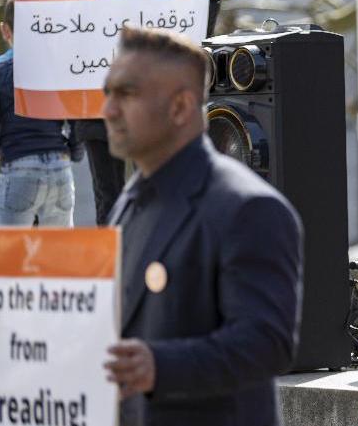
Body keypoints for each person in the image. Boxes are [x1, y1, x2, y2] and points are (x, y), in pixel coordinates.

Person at [100, 27, 302, 426]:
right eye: (107, 93)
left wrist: (159, 366)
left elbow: (266, 343)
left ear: (179, 108)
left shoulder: (249, 208)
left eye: (126, 94)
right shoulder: (129, 201)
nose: (108, 109)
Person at [77, 0, 226, 225]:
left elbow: (194, 41)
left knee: (164, 195)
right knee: (109, 205)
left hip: (156, 108)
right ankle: (117, 278)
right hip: (100, 113)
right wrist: (29, 2)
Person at [0, 0, 82, 226]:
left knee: (12, 254)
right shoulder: (62, 67)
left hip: (19, 166)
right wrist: (73, 151)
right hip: (59, 166)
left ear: (5, 30)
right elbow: (77, 117)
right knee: (60, 253)